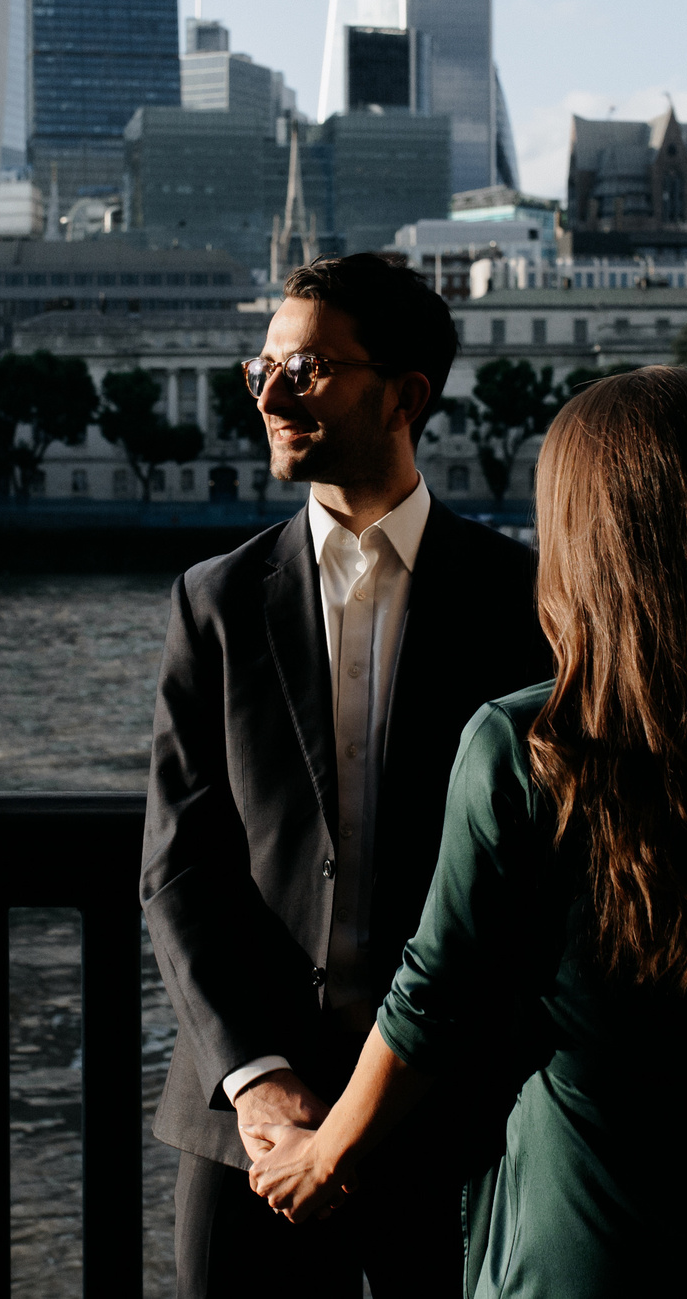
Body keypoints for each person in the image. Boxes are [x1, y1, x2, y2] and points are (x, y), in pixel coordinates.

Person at [247, 365, 687, 1296]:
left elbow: (432, 998)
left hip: (589, 1212)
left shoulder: (525, 743)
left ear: (584, 536)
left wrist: (325, 1153)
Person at [142, 252, 552, 1298]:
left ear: (405, 396)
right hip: (250, 1132)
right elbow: (178, 869)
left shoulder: (525, 600)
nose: (271, 395)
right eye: (262, 368)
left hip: (452, 1112)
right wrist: (256, 1079)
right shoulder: (214, 601)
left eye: (308, 370)